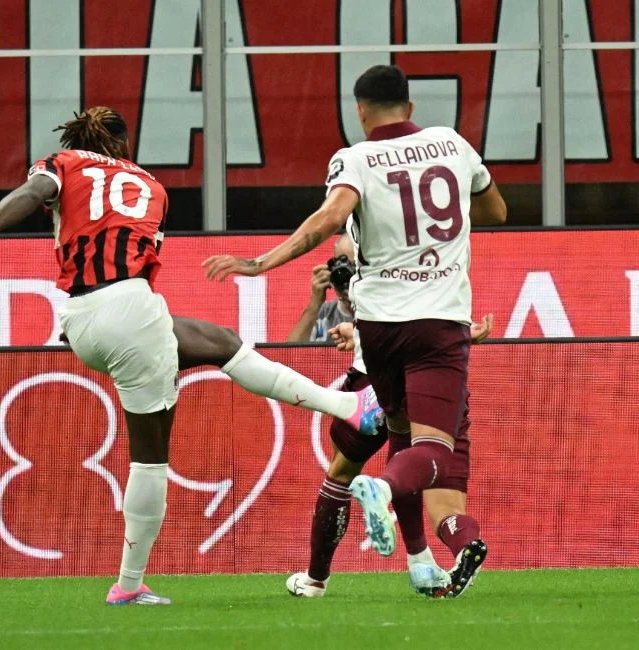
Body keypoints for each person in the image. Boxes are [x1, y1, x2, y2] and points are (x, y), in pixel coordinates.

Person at [0, 106, 384, 607]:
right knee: (150, 459)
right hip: (128, 307)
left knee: (219, 342)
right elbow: (132, 261)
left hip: (82, 316)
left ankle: (349, 408)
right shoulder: (153, 186)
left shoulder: (60, 163)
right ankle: (127, 585)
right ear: (124, 147)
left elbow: (32, 195)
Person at [203, 64, 507, 597]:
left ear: (360, 111)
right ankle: (381, 491)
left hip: (378, 332)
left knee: (400, 439)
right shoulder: (453, 144)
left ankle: (389, 567)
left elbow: (327, 218)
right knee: (436, 451)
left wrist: (258, 263)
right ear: (411, 108)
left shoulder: (355, 159)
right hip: (437, 322)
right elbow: (497, 210)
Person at [286, 233, 495, 599]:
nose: (344, 270)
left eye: (348, 263)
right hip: (438, 378)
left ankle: (316, 579)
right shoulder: (429, 249)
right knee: (440, 492)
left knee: (341, 473)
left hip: (374, 379)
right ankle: (450, 551)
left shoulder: (370, 233)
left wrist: (358, 330)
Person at [286, 235, 355, 342]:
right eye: (342, 266)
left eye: (354, 266)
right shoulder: (323, 313)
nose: (347, 276)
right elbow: (290, 353)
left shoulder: (384, 311)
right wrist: (315, 303)